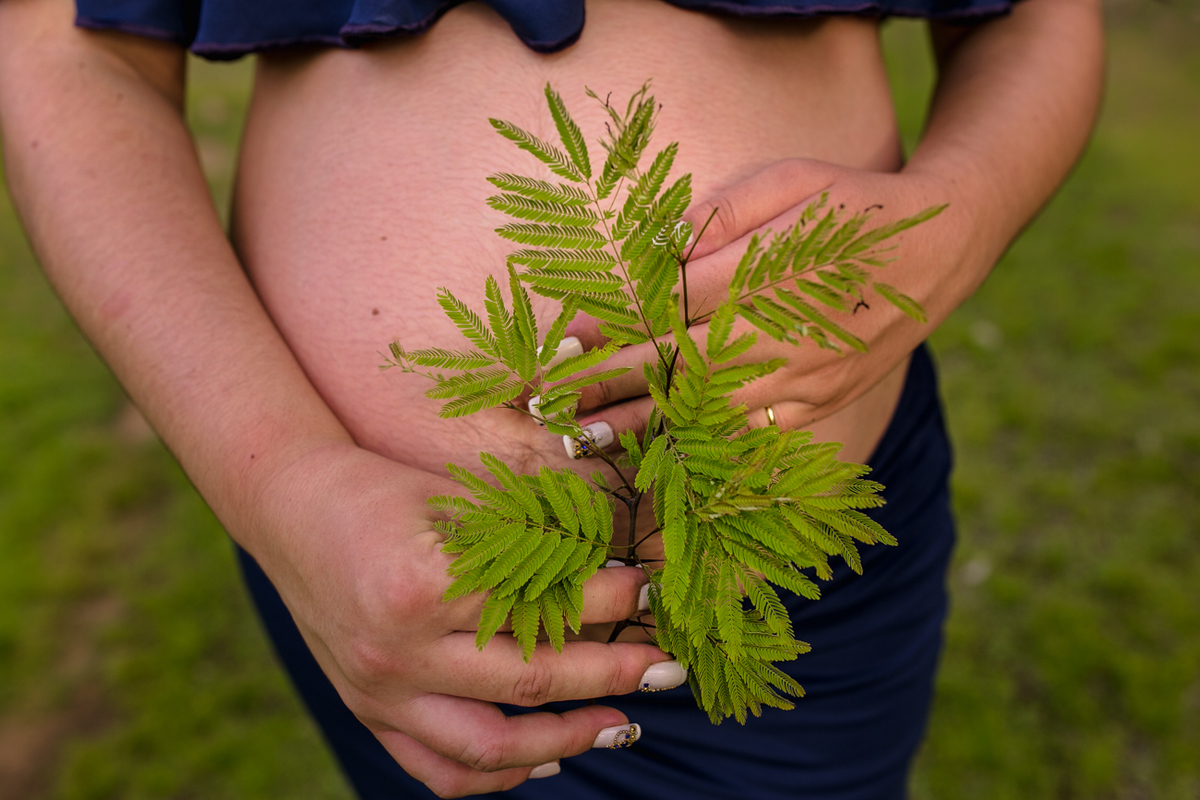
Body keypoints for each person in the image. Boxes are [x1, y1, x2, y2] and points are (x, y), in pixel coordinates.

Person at [0, 0, 1103, 797]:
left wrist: (956, 219)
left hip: (796, 562)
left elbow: (1036, 18)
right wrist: (288, 479)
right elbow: (69, 47)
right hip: (387, 583)